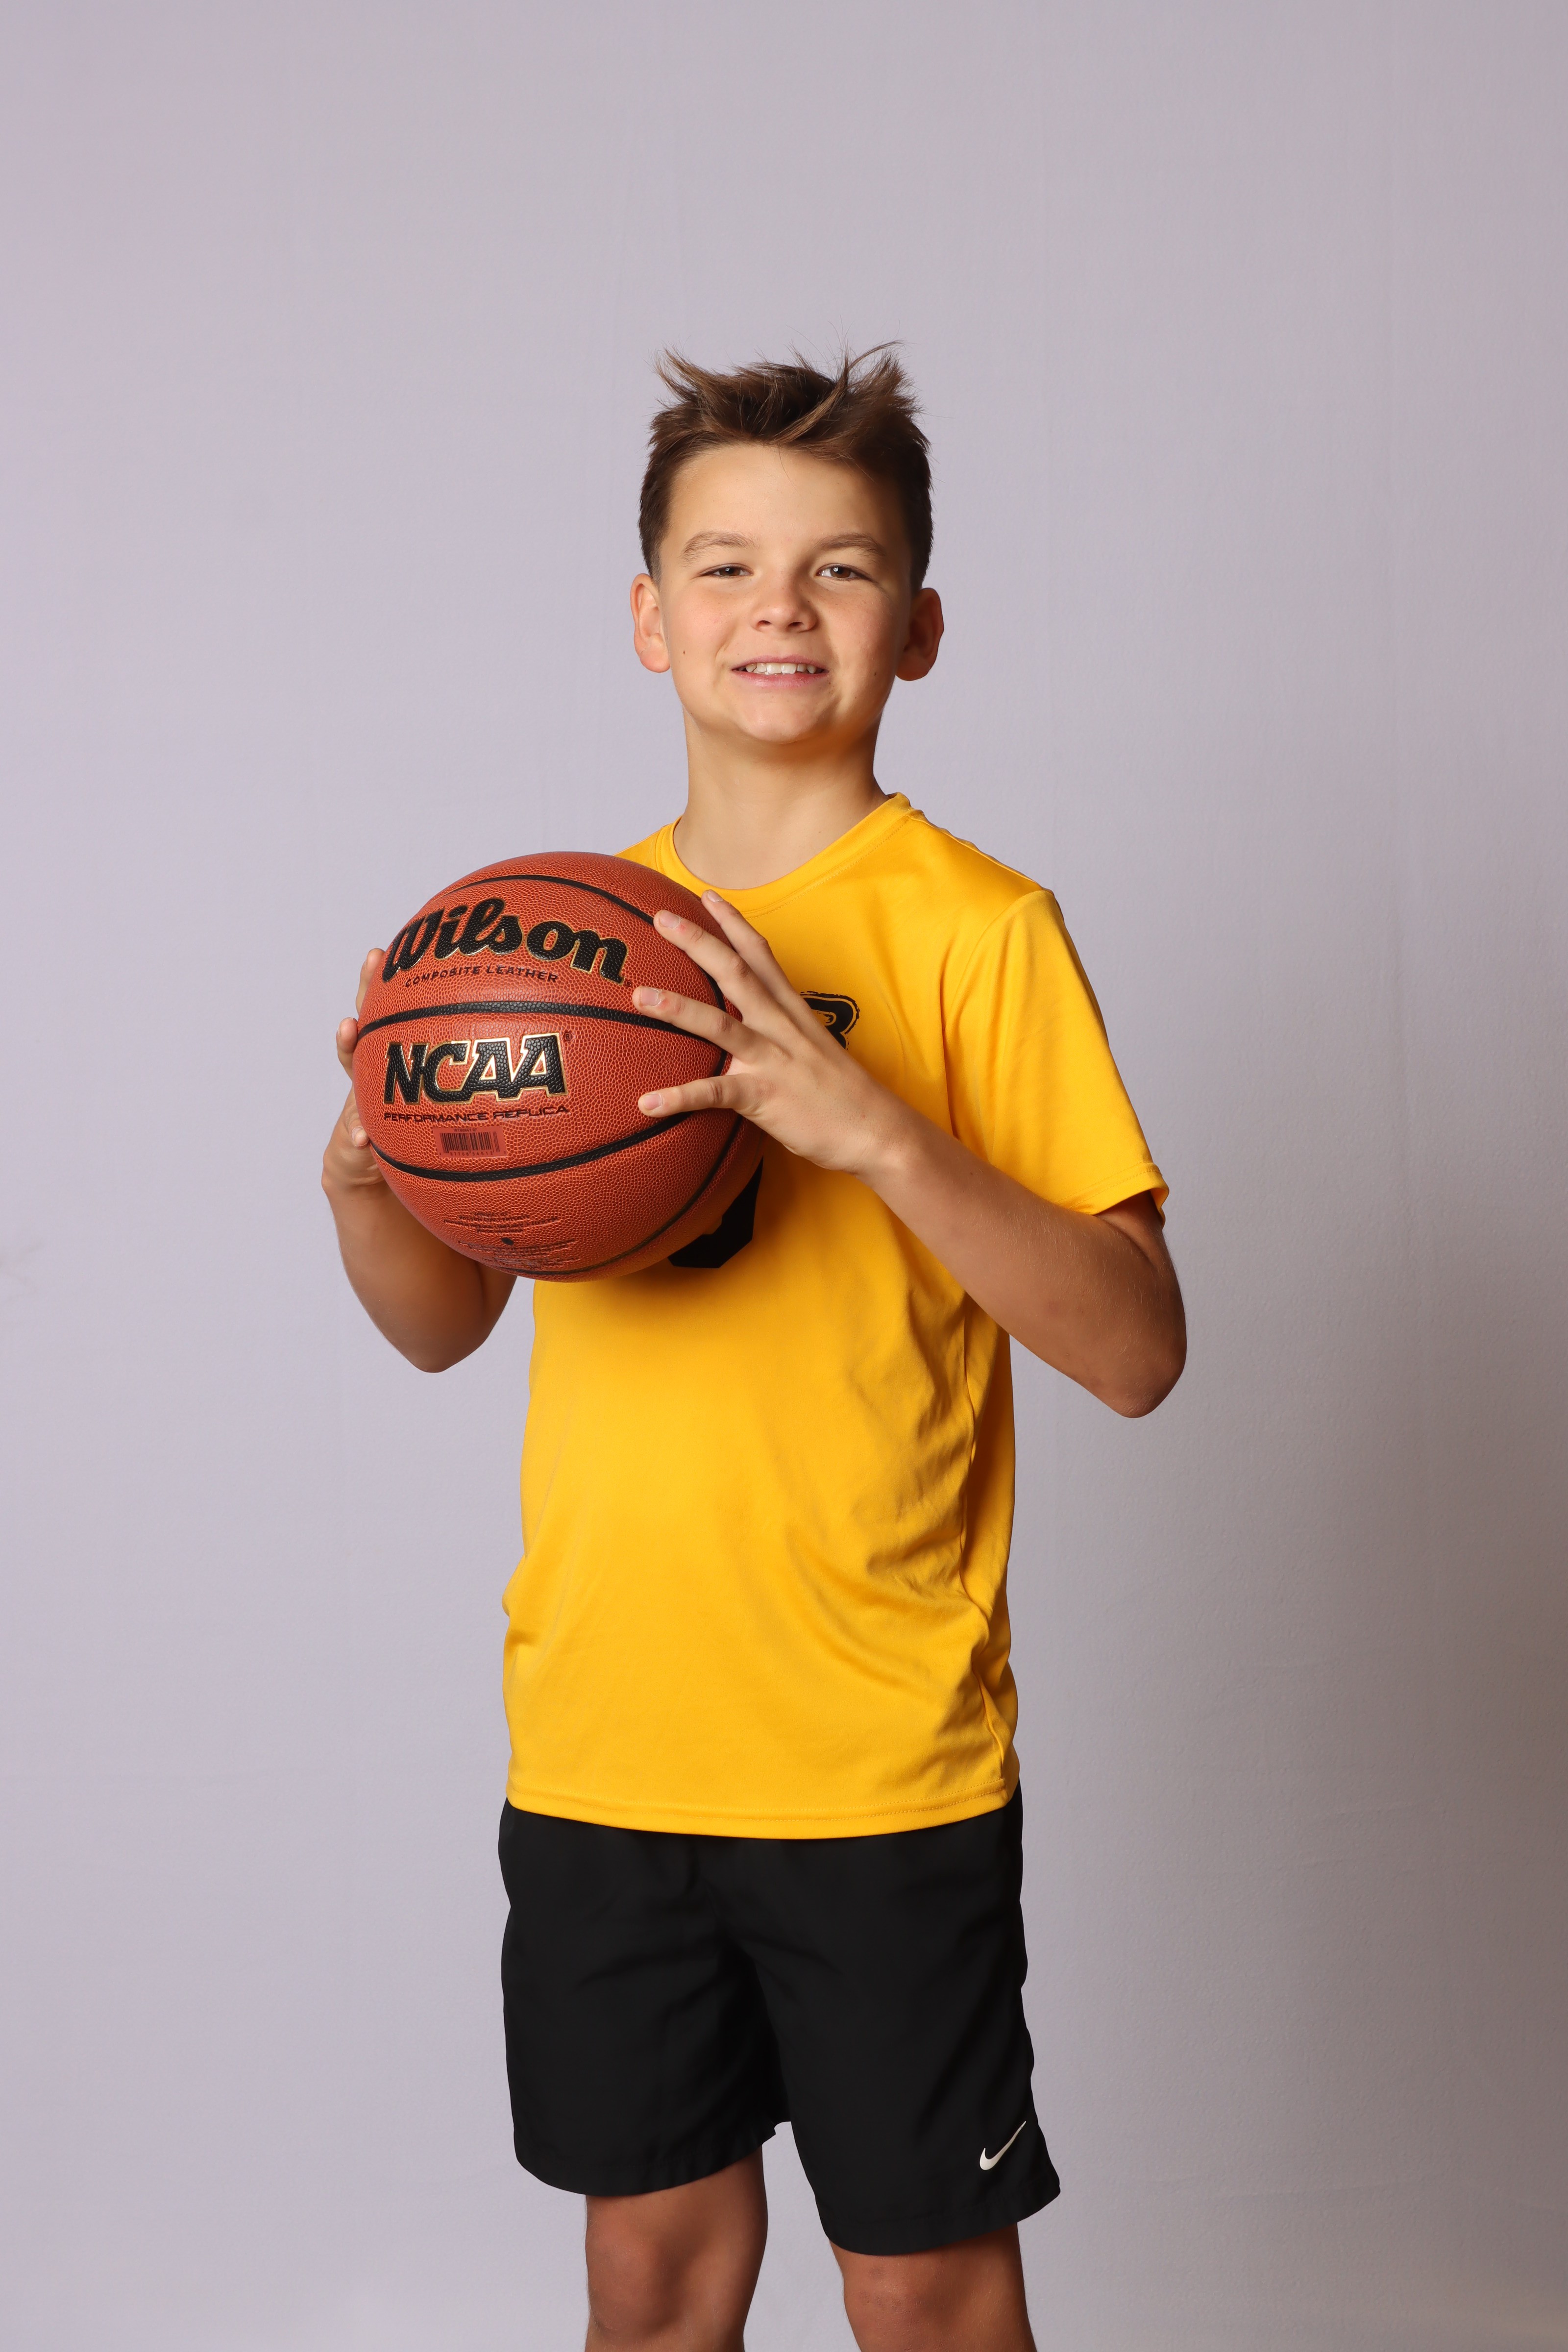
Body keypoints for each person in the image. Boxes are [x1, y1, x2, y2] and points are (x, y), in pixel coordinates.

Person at [321, 349, 1185, 2352]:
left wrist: (873, 1131)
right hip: (602, 1737)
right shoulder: (555, 943)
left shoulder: (975, 930)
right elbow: (446, 1331)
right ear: (649, 617)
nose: (776, 607)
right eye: (723, 565)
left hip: (873, 1756)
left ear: (918, 627)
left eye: (839, 568)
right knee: (652, 2275)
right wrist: (373, 1185)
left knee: (921, 2283)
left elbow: (1137, 1348)